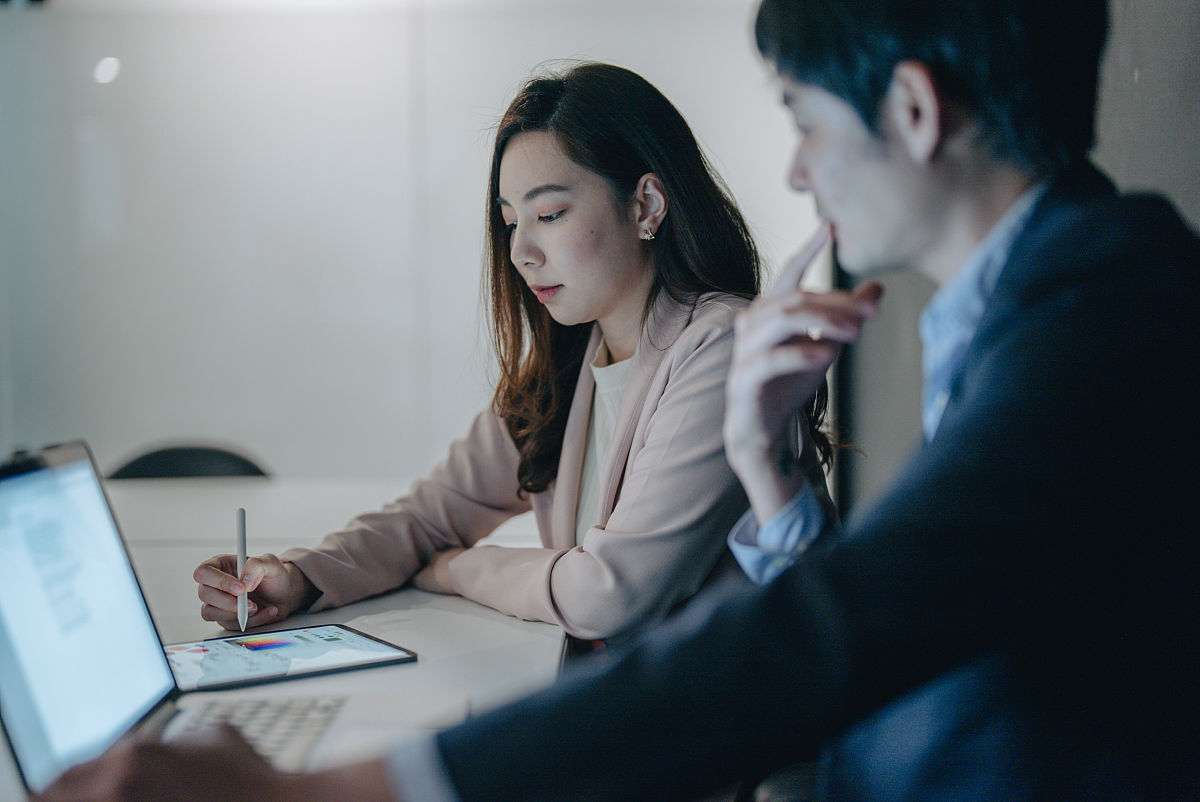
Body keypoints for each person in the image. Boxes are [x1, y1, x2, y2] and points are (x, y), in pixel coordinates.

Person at [40, 0, 1200, 799]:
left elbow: (831, 631)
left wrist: (360, 785)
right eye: (513, 222)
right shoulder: (1043, 303)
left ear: (908, 109)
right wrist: (775, 481)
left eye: (801, 119)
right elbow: (896, 608)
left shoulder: (1101, 317)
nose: (795, 170)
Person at [190, 62, 836, 647]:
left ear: (646, 204)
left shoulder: (717, 347)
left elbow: (610, 595)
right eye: (509, 222)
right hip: (635, 702)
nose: (520, 252)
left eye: (549, 214)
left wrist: (460, 569)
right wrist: (298, 577)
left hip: (725, 736)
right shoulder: (576, 357)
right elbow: (429, 516)